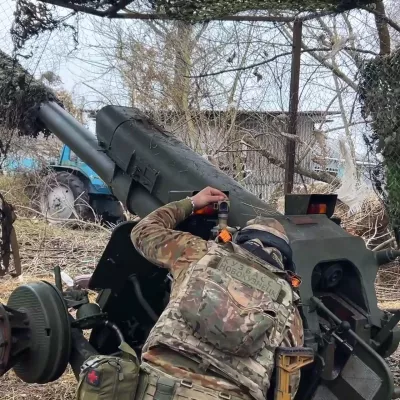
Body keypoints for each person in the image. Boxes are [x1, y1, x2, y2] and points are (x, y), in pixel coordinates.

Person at [130, 186, 304, 400]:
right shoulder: (288, 306)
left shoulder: (200, 253)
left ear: (241, 239)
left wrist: (192, 202)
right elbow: (287, 387)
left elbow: (143, 231)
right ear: (283, 259)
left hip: (158, 388)